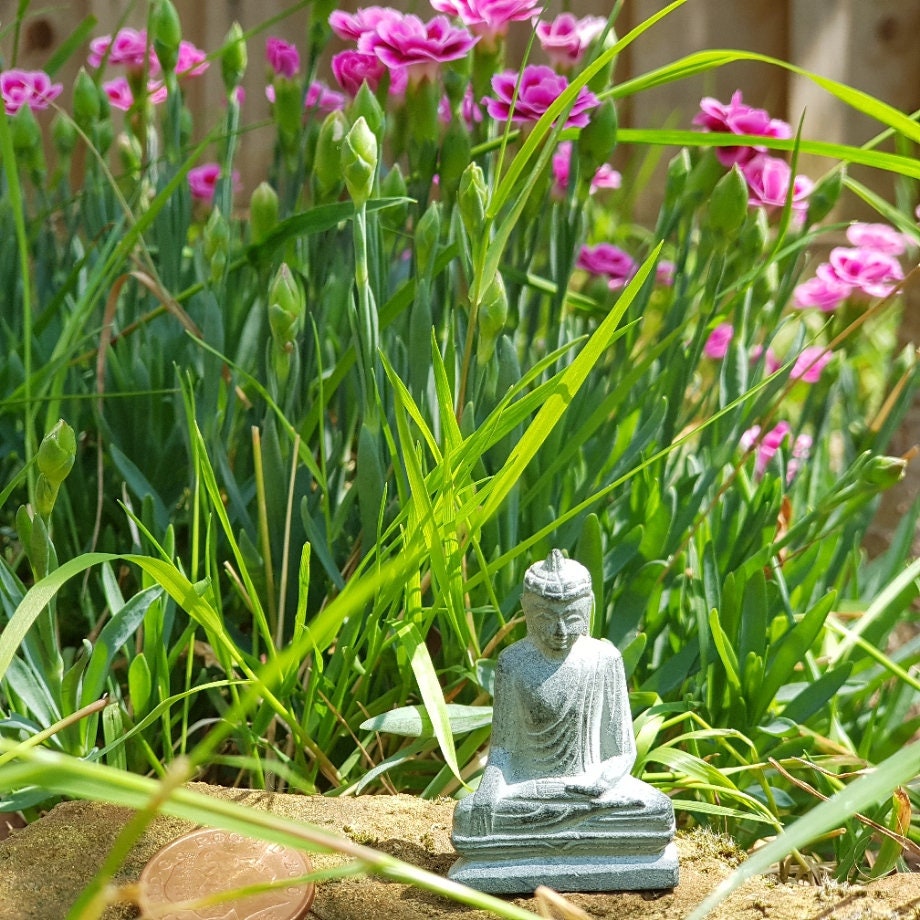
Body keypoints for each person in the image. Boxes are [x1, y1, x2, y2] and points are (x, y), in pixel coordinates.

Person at [449, 549, 677, 892]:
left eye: (571, 617)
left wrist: (601, 782)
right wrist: (488, 793)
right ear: (527, 610)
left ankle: (548, 847)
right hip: (530, 790)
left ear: (588, 608)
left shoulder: (605, 659)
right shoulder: (513, 663)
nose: (560, 630)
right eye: (546, 617)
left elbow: (621, 751)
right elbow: (503, 752)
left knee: (656, 810)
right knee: (470, 817)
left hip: (593, 792)